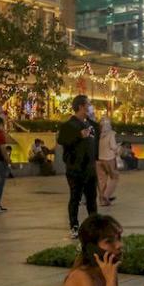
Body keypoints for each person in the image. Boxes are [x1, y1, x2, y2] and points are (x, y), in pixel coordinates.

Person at [58, 95, 100, 238]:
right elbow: (62, 141)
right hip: (75, 169)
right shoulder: (68, 125)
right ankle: (74, 226)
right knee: (75, 197)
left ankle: (94, 226)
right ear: (81, 106)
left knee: (91, 198)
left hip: (90, 169)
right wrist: (78, 136)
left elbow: (96, 147)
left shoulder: (93, 126)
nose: (90, 107)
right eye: (88, 104)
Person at [97, 116, 120, 207]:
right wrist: (118, 147)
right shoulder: (111, 134)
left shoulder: (98, 134)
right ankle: (106, 196)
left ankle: (102, 200)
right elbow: (113, 146)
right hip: (109, 158)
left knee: (102, 180)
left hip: (99, 159)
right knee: (114, 177)